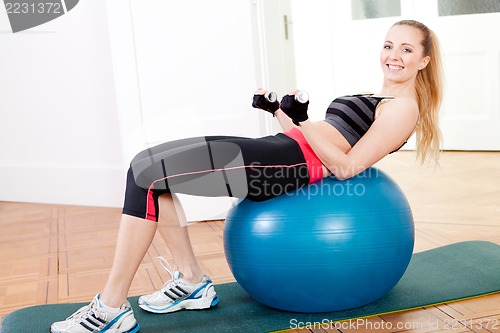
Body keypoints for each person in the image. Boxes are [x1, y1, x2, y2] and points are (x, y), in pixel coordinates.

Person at [50, 19, 443, 333]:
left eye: (407, 49)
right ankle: (192, 282)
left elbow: (345, 166)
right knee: (147, 168)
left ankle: (112, 307)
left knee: (146, 171)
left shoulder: (404, 109)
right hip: (279, 150)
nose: (394, 55)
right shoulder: (380, 97)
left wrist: (302, 123)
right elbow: (324, 135)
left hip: (287, 167)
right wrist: (277, 111)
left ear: (423, 61)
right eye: (389, 45)